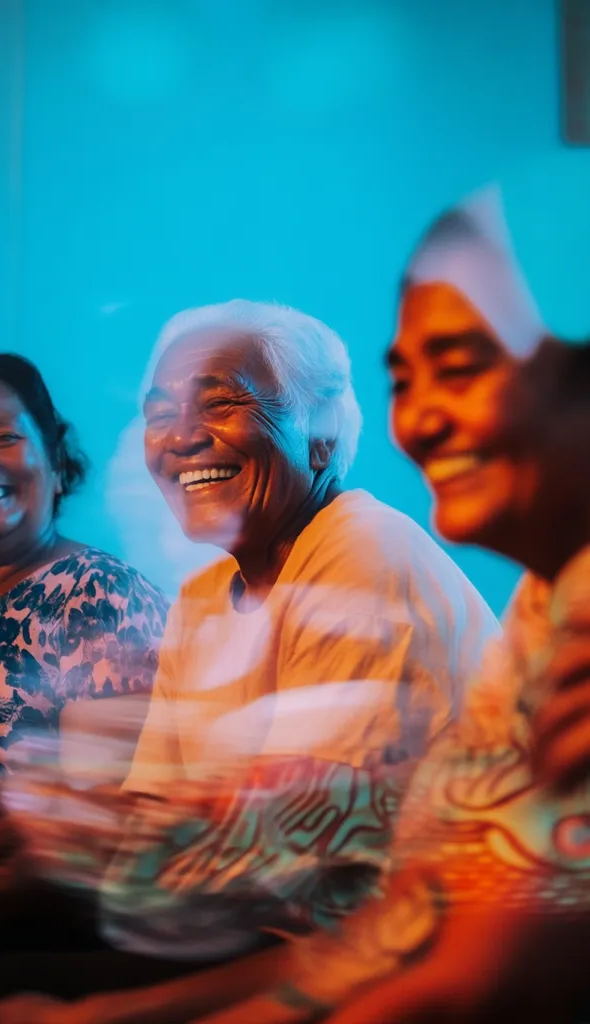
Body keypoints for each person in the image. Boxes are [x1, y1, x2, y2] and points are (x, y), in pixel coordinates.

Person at [0, 301, 500, 1022]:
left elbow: (305, 893)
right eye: (159, 412)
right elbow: (152, 823)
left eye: (222, 402)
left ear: (320, 440)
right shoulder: (207, 597)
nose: (179, 437)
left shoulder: (361, 554)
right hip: (257, 929)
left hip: (385, 963)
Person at [180, 156, 590, 1022]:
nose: (421, 418)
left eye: (464, 363)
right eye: (405, 379)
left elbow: (464, 967)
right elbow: (417, 921)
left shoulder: (365, 553)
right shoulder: (547, 608)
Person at [0, 353, 168, 986]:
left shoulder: (101, 595)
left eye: (3, 436)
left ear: (56, 462)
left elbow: (92, 798)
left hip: (35, 943)